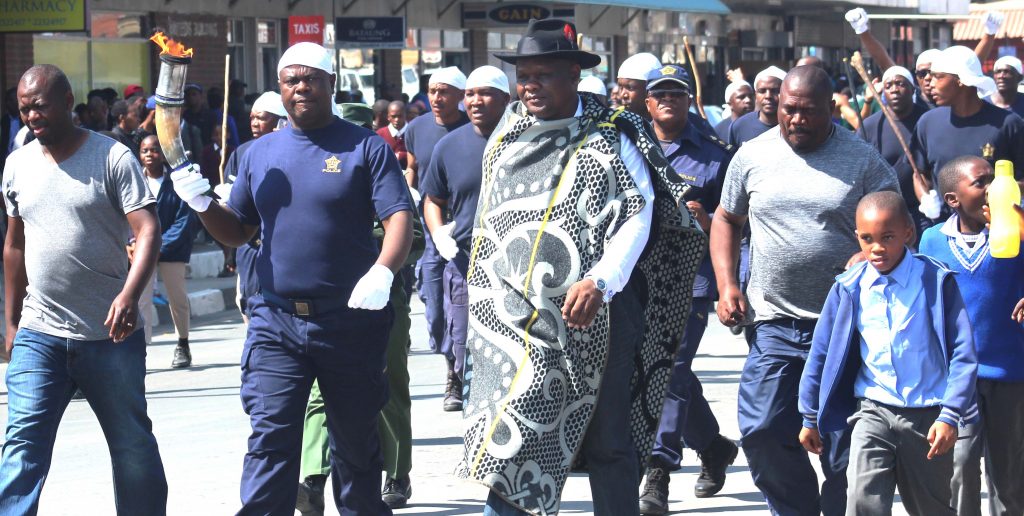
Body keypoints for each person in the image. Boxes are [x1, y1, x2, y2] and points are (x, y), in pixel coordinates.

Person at [459, 19, 706, 515]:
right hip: (518, 321)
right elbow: (492, 226)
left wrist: (601, 280)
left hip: (600, 312)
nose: (530, 85)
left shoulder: (613, 136)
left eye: (543, 74)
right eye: (523, 75)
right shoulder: (506, 135)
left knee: (609, 440)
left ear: (574, 76)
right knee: (514, 431)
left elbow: (636, 213)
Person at [169, 42, 413, 514]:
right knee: (270, 439)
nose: (301, 87)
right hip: (276, 320)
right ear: (280, 89)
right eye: (290, 80)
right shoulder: (258, 154)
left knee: (356, 445)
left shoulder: (366, 147)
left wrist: (383, 270)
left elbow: (398, 215)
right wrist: (201, 203)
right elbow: (238, 230)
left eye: (311, 79)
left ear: (331, 85)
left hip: (350, 320)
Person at [710, 65, 900, 516]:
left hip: (844, 328)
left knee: (842, 448)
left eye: (807, 112)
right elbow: (726, 218)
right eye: (787, 109)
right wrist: (727, 284)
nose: (795, 119)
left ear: (831, 109)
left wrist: (869, 253)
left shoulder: (862, 160)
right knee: (761, 430)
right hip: (773, 321)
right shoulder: (752, 155)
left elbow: (898, 225)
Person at [0, 64, 166, 515]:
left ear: (67, 100)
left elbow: (149, 230)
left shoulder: (112, 158)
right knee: (22, 445)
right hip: (41, 332)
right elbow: (14, 247)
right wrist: (12, 322)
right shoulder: (17, 165)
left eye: (40, 105)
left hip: (109, 335)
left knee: (131, 445)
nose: (32, 115)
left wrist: (131, 295)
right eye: (23, 109)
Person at [799, 191, 977, 516]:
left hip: (928, 417)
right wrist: (809, 415)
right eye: (867, 239)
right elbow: (821, 353)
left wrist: (951, 413)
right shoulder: (848, 287)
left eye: (887, 237)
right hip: (873, 411)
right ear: (857, 237)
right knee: (862, 502)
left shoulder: (935, 281)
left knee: (932, 508)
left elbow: (964, 352)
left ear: (908, 233)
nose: (876, 248)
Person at [296, 101, 422, 513]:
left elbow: (413, 237)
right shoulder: (316, 176)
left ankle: (396, 474)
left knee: (386, 385)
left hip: (381, 297)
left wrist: (377, 253)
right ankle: (313, 478)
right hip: (327, 300)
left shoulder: (385, 174)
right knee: (318, 393)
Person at [637, 64, 739, 516]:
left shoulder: (718, 157)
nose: (669, 100)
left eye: (678, 93)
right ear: (648, 102)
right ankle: (713, 445)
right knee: (661, 370)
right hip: (637, 276)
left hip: (692, 280)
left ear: (687, 100)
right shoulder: (631, 148)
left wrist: (707, 221)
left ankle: (658, 467)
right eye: (661, 93)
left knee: (672, 366)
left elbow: (737, 224)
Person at [919, 156, 1024, 516]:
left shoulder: (1017, 232)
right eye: (981, 182)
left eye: (994, 180)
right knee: (960, 463)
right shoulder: (932, 241)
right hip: (958, 373)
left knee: (1008, 470)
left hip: (1011, 370)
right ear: (952, 200)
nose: (993, 188)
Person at [421, 65, 510, 417]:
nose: (475, 100)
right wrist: (438, 231)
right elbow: (433, 200)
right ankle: (462, 387)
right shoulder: (448, 146)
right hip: (463, 260)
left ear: (506, 99)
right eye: (470, 93)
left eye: (485, 93)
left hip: (515, 262)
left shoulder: (527, 139)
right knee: (460, 337)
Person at [402, 65, 469, 411]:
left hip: (467, 229)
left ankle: (455, 377)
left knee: (462, 309)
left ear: (461, 95)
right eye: (432, 91)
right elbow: (414, 167)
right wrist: (408, 191)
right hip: (432, 231)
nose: (437, 98)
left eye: (444, 92)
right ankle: (450, 360)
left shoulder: (473, 128)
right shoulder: (416, 128)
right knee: (434, 307)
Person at [900, 45, 1024, 222]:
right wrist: (925, 198)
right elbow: (919, 173)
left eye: (938, 76)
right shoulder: (927, 123)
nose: (930, 82)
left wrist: (1000, 195)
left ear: (960, 80)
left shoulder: (1008, 124)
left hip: (996, 229)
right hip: (943, 229)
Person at [845, 7, 1004, 110]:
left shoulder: (958, 99)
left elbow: (971, 65)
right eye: (922, 73)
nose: (928, 78)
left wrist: (990, 33)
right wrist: (862, 30)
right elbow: (884, 61)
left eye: (935, 73)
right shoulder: (912, 99)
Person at [134, 135, 196, 366]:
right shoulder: (134, 180)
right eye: (144, 150)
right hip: (140, 250)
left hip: (171, 249)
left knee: (177, 298)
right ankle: (140, 350)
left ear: (163, 153)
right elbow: (123, 215)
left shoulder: (177, 181)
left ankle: (183, 343)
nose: (149, 154)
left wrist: (160, 246)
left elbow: (183, 219)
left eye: (154, 150)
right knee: (141, 300)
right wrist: (131, 243)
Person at [227, 90, 287, 323]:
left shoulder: (291, 148)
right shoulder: (241, 152)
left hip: (282, 242)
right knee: (250, 305)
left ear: (279, 120)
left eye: (261, 117)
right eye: (252, 117)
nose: (254, 122)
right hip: (250, 243)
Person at [859, 66, 930, 230]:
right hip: (884, 212)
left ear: (912, 89)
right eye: (888, 85)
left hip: (922, 210)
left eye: (900, 84)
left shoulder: (927, 120)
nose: (894, 90)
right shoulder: (870, 126)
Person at [727, 66, 785, 146]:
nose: (768, 96)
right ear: (755, 95)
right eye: (762, 91)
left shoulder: (795, 125)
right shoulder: (739, 126)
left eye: (775, 91)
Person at [616, 52, 662, 120]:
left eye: (630, 88)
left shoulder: (667, 124)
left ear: (650, 90)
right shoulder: (614, 122)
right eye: (621, 88)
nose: (623, 95)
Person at [376, 100, 408, 169]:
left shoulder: (413, 131)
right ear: (388, 117)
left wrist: (403, 155)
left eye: (400, 116)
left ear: (405, 115)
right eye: (393, 116)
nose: (396, 119)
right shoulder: (380, 134)